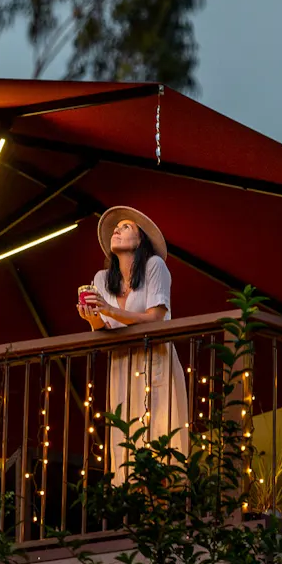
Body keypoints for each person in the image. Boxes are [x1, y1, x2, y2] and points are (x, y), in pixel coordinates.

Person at [76, 206, 190, 484]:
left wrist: (109, 310)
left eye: (125, 227)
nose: (117, 230)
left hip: (154, 357)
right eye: (116, 228)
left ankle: (166, 493)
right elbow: (104, 331)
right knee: (125, 436)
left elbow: (155, 317)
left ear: (140, 241)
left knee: (160, 431)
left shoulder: (154, 266)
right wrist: (92, 318)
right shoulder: (102, 279)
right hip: (122, 363)